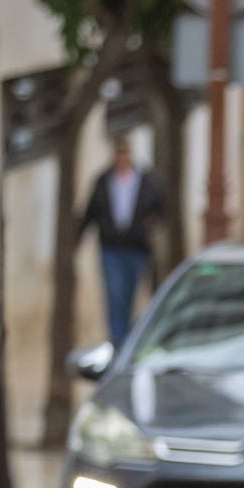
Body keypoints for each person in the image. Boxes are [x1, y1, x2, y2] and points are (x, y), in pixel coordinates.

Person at [78, 135, 165, 346]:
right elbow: (91, 210)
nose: (122, 158)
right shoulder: (104, 181)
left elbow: (159, 207)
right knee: (114, 295)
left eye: (125, 153)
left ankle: (126, 340)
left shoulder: (145, 180)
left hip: (136, 248)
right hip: (111, 248)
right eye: (119, 153)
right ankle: (117, 342)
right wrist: (78, 236)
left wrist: (150, 224)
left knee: (129, 295)